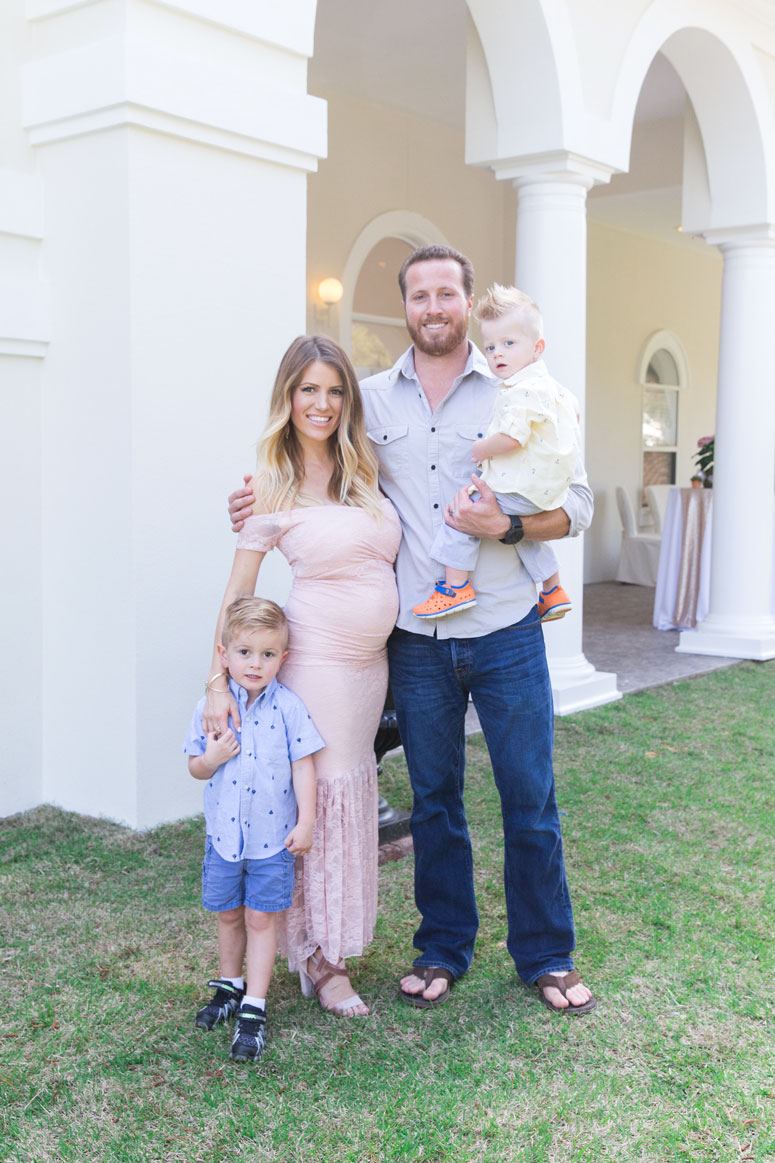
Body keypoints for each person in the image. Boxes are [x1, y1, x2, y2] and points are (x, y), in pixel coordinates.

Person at [229, 246, 595, 1016]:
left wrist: (508, 526)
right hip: (416, 641)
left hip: (504, 628)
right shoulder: (369, 400)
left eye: (445, 293)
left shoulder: (518, 387)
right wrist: (256, 497)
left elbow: (577, 504)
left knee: (528, 796)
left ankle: (546, 954)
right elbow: (317, 454)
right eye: (418, 295)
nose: (433, 307)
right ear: (405, 306)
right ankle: (442, 947)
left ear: (466, 301)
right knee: (433, 801)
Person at [206, 335, 401, 1020]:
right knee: (323, 794)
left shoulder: (364, 468)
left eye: (335, 390)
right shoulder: (268, 484)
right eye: (308, 389)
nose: (322, 403)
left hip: (369, 669)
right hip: (316, 662)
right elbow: (238, 592)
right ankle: (322, 960)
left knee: (349, 791)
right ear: (287, 396)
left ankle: (329, 940)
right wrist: (215, 682)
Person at [184, 597, 323, 1062]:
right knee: (228, 914)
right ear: (224, 655)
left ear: (283, 658)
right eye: (245, 652)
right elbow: (195, 767)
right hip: (224, 839)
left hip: (272, 840)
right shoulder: (211, 710)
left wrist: (306, 822)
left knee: (261, 919)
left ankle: (254, 1007)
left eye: (267, 654)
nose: (255, 664)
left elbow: (303, 766)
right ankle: (230, 985)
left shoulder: (289, 708)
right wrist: (211, 758)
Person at [411, 284, 579, 625]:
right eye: (490, 347)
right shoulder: (554, 387)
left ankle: (456, 587)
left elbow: (512, 438)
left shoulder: (519, 389)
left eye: (509, 344)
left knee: (462, 515)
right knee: (519, 535)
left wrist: (480, 448)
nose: (497, 354)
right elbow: (573, 415)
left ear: (538, 348)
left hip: (519, 484)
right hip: (544, 491)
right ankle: (553, 589)